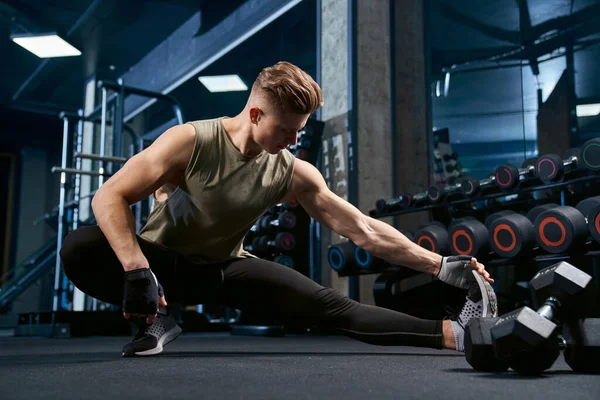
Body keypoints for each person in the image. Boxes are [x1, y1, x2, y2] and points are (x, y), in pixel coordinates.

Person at [60, 61, 496, 357]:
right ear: (254, 114)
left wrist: (441, 265)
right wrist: (137, 269)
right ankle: (160, 319)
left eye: (299, 132)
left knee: (330, 306)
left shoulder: (293, 172)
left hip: (224, 268)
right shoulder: (189, 141)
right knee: (80, 247)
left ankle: (455, 334)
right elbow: (108, 196)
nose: (292, 142)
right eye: (285, 130)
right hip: (162, 268)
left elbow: (362, 228)